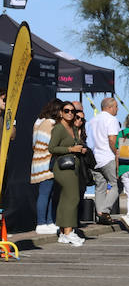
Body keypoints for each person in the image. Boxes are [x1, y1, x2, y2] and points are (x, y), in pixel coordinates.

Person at [45, 103, 86, 246]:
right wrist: (71, 148)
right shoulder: (59, 128)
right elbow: (51, 148)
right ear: (61, 113)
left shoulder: (73, 128)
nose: (70, 113)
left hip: (72, 167)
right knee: (73, 198)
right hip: (62, 168)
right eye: (66, 110)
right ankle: (69, 232)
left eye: (72, 111)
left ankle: (63, 232)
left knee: (65, 199)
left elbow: (74, 146)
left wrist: (79, 150)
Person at [87, 97, 122, 225]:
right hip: (108, 157)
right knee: (116, 185)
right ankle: (105, 211)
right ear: (110, 107)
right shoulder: (111, 120)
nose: (117, 109)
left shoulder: (92, 121)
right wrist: (117, 154)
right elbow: (112, 140)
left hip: (94, 157)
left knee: (100, 186)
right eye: (116, 107)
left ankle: (99, 214)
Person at [30, 100, 61, 234]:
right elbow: (52, 144)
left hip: (38, 160)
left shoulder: (39, 121)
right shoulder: (50, 123)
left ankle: (48, 222)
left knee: (47, 193)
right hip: (46, 161)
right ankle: (42, 223)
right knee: (45, 193)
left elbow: (34, 143)